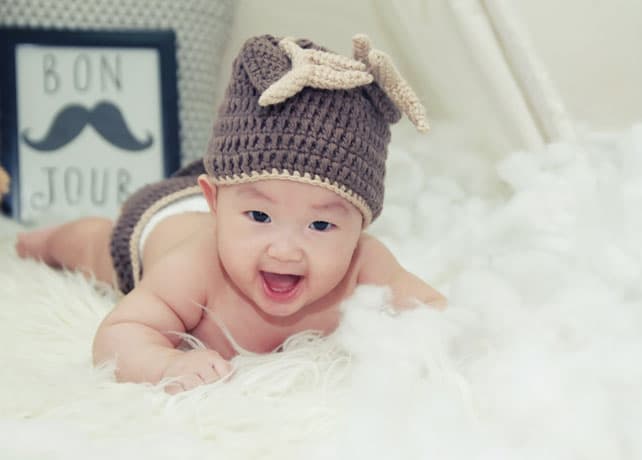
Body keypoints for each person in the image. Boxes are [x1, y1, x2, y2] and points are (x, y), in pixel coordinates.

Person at [15, 34, 445, 393]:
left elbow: (433, 312)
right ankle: (41, 239)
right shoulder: (194, 269)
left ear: (360, 228)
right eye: (260, 217)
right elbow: (118, 335)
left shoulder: (363, 265)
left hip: (227, 195)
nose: (285, 249)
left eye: (320, 225)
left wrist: (435, 341)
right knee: (90, 246)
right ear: (215, 203)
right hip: (159, 223)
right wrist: (165, 365)